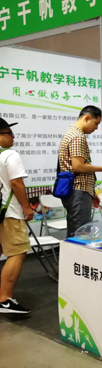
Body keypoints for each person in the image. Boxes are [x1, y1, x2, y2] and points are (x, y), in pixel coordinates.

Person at [0, 118, 34, 314]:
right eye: (8, 133)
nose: (13, 137)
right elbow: (16, 183)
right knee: (17, 252)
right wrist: (26, 208)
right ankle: (4, 299)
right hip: (9, 212)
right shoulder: (10, 155)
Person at [58, 106, 102, 239]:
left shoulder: (71, 133)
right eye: (96, 123)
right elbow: (78, 167)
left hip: (78, 190)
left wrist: (91, 192)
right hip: (78, 190)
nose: (96, 128)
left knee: (76, 230)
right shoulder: (77, 137)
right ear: (87, 118)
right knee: (79, 233)